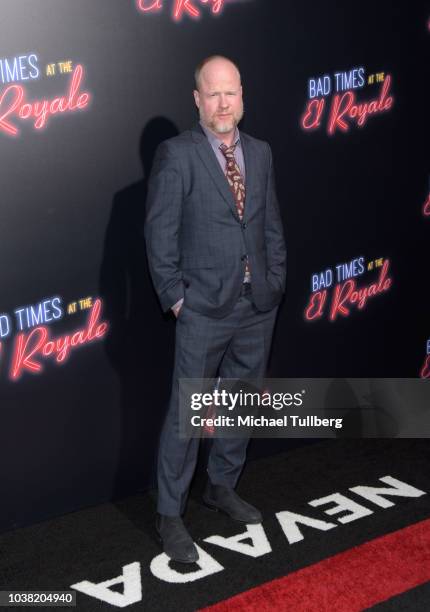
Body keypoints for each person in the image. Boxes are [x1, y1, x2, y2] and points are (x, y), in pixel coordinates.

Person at [144, 55, 286, 563]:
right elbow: (159, 235)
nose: (223, 103)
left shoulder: (262, 152)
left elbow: (269, 224)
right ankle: (170, 514)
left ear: (242, 97)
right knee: (187, 414)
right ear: (197, 100)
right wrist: (177, 299)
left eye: (231, 93)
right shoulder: (177, 155)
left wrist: (274, 280)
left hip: (258, 304)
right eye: (213, 93)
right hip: (203, 307)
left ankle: (221, 486)